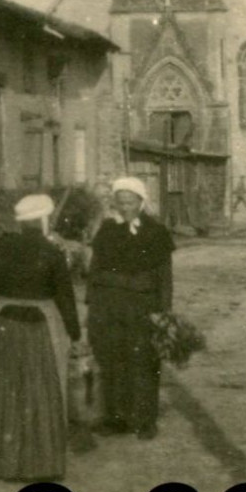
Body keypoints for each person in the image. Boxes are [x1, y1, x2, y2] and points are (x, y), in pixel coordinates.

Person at [0, 193, 81, 482]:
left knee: (3, 390)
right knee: (39, 389)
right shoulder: (52, 252)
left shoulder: (3, 249)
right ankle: (38, 464)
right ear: (44, 220)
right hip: (37, 328)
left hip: (4, 326)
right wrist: (75, 332)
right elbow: (65, 297)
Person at [86, 176, 174, 440]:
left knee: (145, 361)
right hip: (110, 306)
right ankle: (116, 418)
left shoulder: (156, 232)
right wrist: (92, 305)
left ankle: (146, 420)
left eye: (130, 202)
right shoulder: (107, 231)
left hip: (143, 306)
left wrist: (163, 310)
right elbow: (95, 270)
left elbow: (164, 277)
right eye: (120, 202)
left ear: (141, 202)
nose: (125, 208)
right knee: (112, 359)